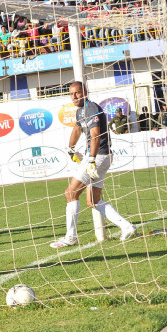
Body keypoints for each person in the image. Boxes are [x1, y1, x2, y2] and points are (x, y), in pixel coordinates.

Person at [50, 82, 136, 248]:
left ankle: (71, 237)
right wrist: (71, 149)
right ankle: (127, 226)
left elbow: (95, 136)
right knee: (93, 201)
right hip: (102, 156)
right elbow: (77, 129)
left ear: (85, 92)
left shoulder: (91, 108)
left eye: (77, 93)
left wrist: (91, 159)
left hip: (98, 156)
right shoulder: (80, 111)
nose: (74, 97)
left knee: (71, 193)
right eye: (71, 94)